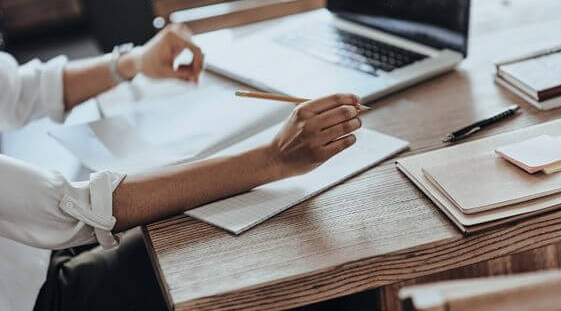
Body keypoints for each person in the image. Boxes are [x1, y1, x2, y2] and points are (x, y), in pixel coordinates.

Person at [0, 24, 363, 311]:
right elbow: (73, 211)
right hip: (38, 297)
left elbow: (17, 90)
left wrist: (134, 62)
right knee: (271, 254)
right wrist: (274, 158)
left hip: (34, 245)